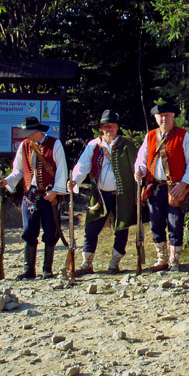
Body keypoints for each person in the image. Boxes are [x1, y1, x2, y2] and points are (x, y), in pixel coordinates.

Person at [0, 116, 69, 280]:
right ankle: (29, 270)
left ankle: (47, 269)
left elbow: (61, 170)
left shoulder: (55, 144)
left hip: (49, 194)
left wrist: (55, 192)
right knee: (29, 231)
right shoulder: (24, 145)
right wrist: (6, 181)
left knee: (50, 231)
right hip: (30, 194)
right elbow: (18, 170)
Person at [67, 110, 138, 276]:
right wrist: (75, 180)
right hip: (100, 195)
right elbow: (83, 165)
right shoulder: (94, 145)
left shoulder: (126, 145)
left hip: (122, 195)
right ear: (101, 128)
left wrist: (138, 187)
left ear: (117, 127)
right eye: (105, 126)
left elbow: (137, 166)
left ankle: (114, 263)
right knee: (91, 228)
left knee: (121, 228)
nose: (108, 129)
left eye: (111, 126)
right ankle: (86, 263)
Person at [134, 102, 189, 271]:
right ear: (156, 118)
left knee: (175, 223)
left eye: (167, 115)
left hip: (175, 188)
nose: (164, 119)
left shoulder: (183, 136)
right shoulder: (150, 136)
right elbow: (142, 159)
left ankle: (174, 260)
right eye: (161, 116)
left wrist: (183, 184)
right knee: (155, 223)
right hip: (155, 187)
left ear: (173, 116)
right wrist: (139, 171)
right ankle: (161, 259)